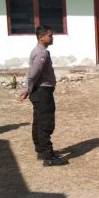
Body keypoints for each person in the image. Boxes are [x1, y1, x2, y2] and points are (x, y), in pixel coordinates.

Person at [19, 25, 68, 166]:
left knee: (39, 122)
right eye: (50, 36)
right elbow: (33, 73)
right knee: (45, 123)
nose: (52, 38)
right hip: (42, 91)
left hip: (40, 91)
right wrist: (26, 89)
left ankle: (41, 151)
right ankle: (48, 156)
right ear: (41, 37)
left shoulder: (40, 51)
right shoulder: (41, 53)